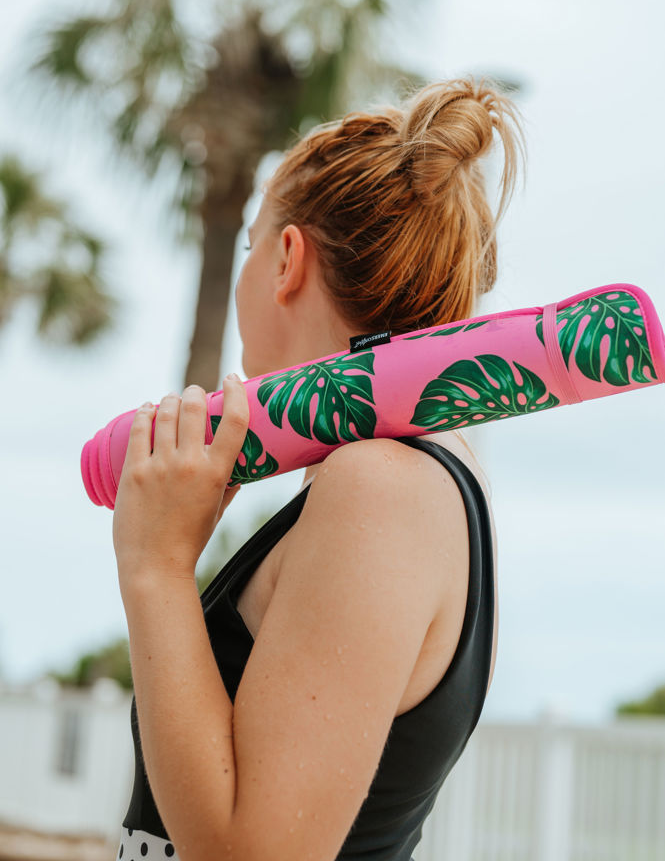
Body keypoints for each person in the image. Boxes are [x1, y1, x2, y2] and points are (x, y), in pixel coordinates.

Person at [112, 76, 527, 861]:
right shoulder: (412, 482)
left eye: (250, 245)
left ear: (286, 261)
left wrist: (155, 565)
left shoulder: (382, 490)